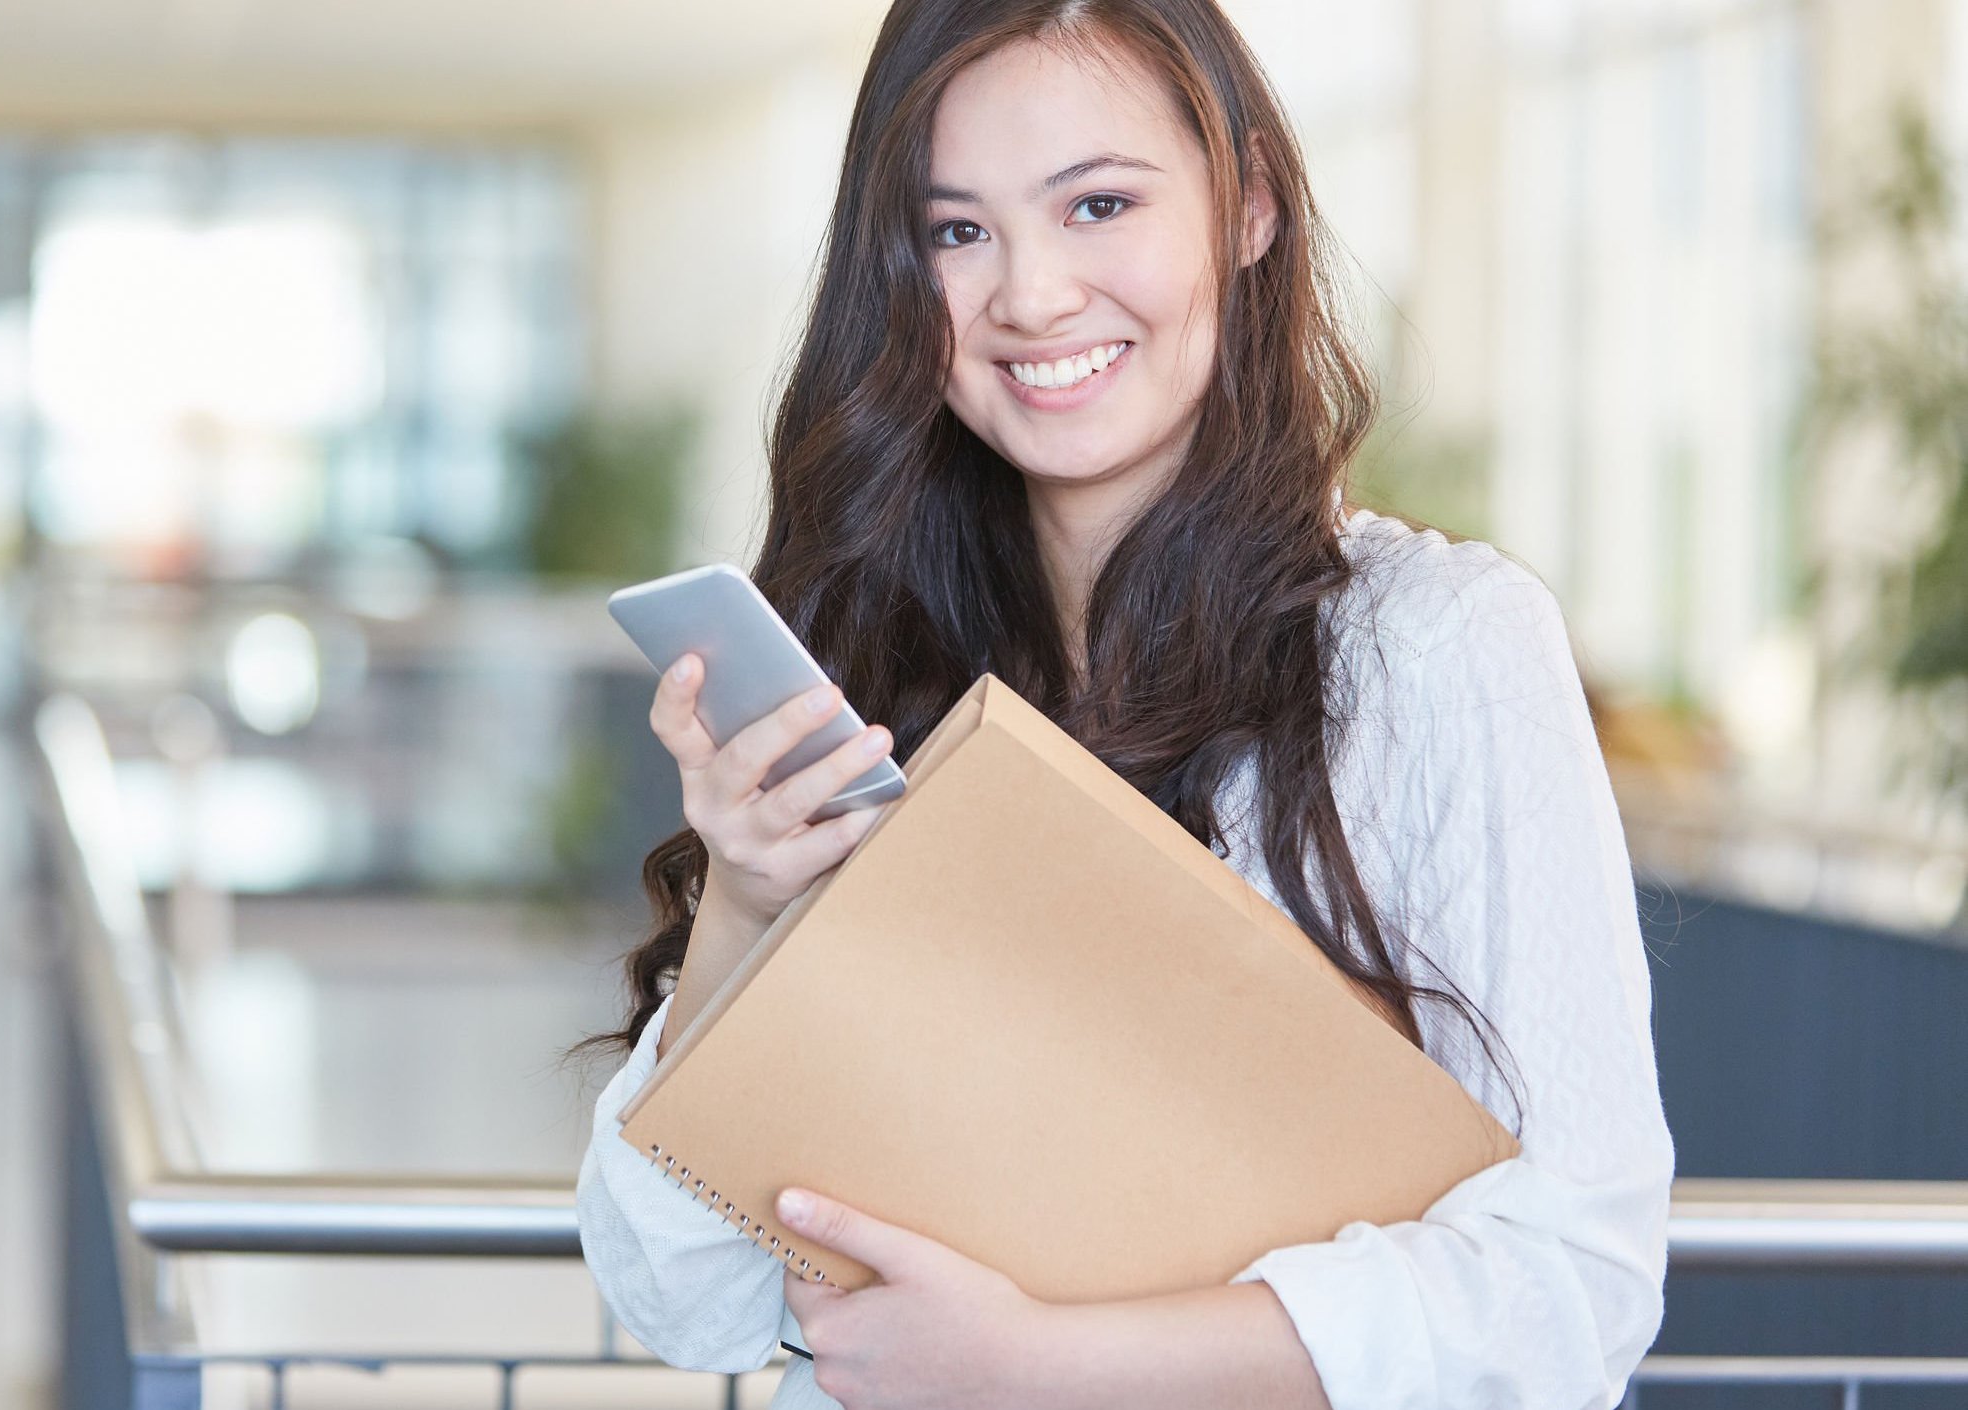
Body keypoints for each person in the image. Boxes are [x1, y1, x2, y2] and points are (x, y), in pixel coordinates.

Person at [569, 1, 1674, 1406]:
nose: (1028, 295)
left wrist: (1046, 1366)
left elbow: (1571, 1287)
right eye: (957, 231)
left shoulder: (1435, 645)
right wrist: (741, 904)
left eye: (1097, 204)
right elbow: (679, 1298)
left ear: (1251, 204)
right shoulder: (878, 649)